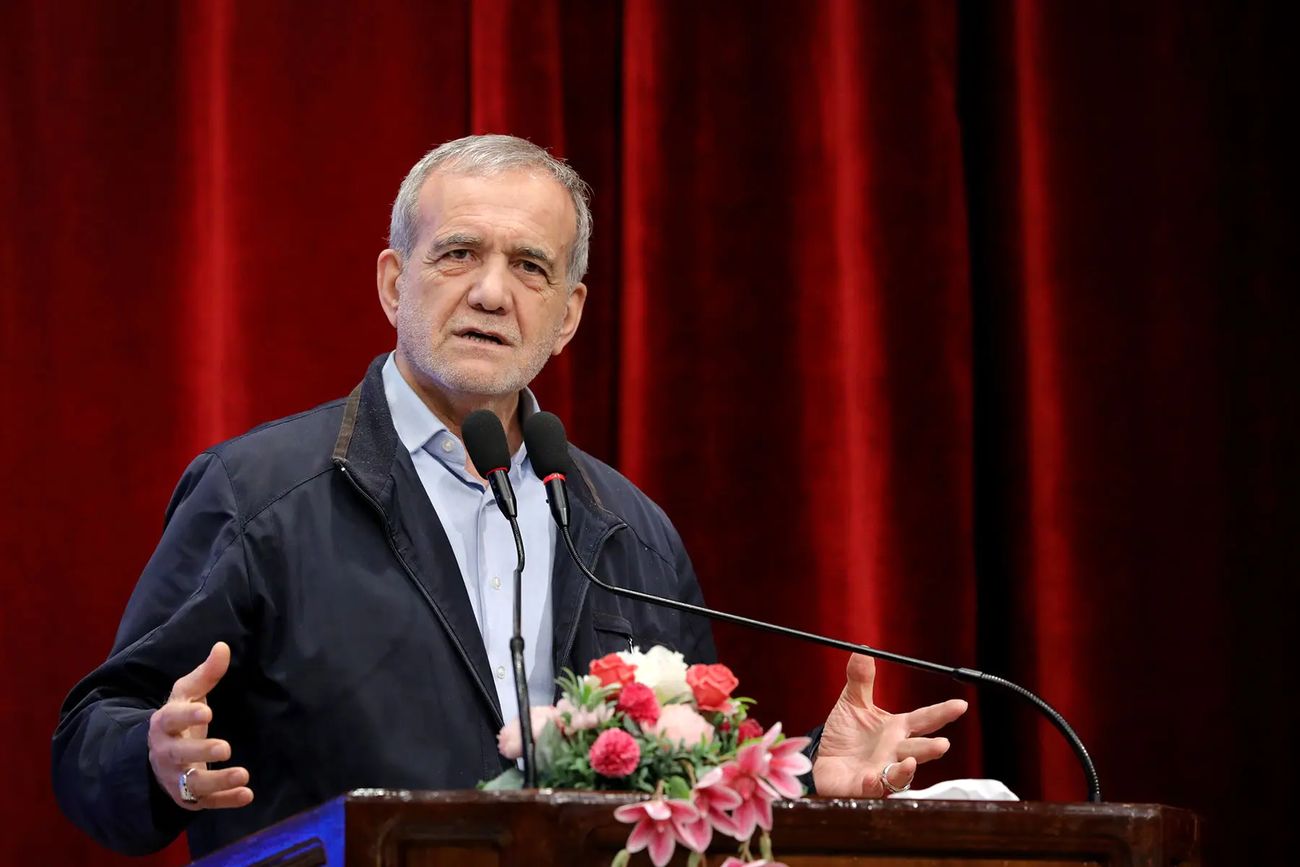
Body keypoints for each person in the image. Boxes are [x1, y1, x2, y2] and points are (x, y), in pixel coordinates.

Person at [52, 135, 967, 858]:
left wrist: (805, 780)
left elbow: (688, 797)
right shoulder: (260, 495)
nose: (492, 292)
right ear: (393, 283)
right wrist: (154, 757)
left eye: (531, 266)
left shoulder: (629, 532)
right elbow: (91, 737)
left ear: (568, 314)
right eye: (459, 253)